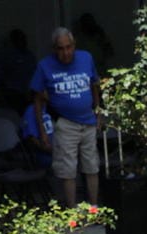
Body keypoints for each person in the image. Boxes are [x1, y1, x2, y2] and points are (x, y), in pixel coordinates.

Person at [32, 27, 101, 208]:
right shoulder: (45, 66)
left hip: (88, 121)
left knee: (92, 167)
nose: (66, 52)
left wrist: (99, 112)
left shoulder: (86, 58)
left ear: (74, 45)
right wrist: (43, 133)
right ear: (54, 49)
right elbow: (37, 100)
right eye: (61, 48)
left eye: (69, 47)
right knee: (67, 170)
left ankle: (94, 209)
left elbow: (95, 86)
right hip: (65, 122)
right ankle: (72, 212)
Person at [0, 29, 36, 114]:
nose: (22, 41)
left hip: (29, 94)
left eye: (23, 39)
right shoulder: (6, 57)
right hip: (12, 95)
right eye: (19, 39)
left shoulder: (30, 56)